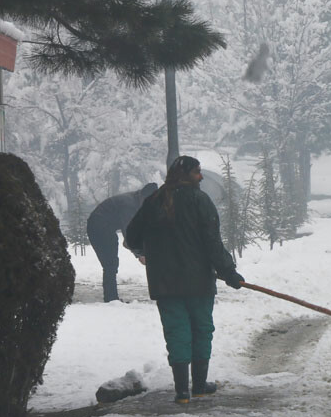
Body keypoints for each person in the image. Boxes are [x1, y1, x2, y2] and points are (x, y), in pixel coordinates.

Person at [124, 156, 245, 403]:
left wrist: (150, 251)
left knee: (176, 332)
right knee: (201, 330)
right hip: (198, 281)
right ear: (186, 175)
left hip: (164, 283)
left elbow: (132, 237)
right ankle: (199, 385)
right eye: (197, 172)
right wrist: (228, 271)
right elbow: (212, 242)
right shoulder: (200, 201)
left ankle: (182, 392)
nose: (201, 177)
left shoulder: (152, 201)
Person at [86, 182, 158, 301]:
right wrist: (140, 254)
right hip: (98, 227)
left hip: (107, 228)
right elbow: (129, 231)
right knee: (110, 263)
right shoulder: (129, 204)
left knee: (111, 263)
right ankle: (111, 298)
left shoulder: (136, 200)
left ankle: (111, 297)